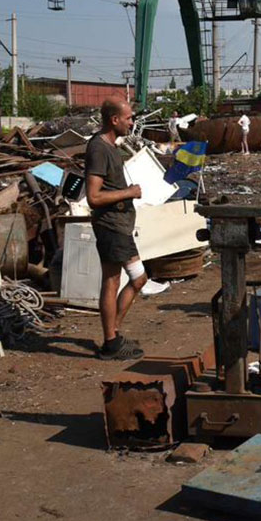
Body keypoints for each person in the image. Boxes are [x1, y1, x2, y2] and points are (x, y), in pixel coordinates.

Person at [85, 98, 149, 359]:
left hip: (120, 227)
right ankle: (111, 342)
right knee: (113, 282)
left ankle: (113, 334)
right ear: (114, 120)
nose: (132, 122)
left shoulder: (112, 146)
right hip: (111, 227)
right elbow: (94, 197)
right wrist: (129, 193)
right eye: (128, 118)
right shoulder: (99, 148)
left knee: (138, 279)